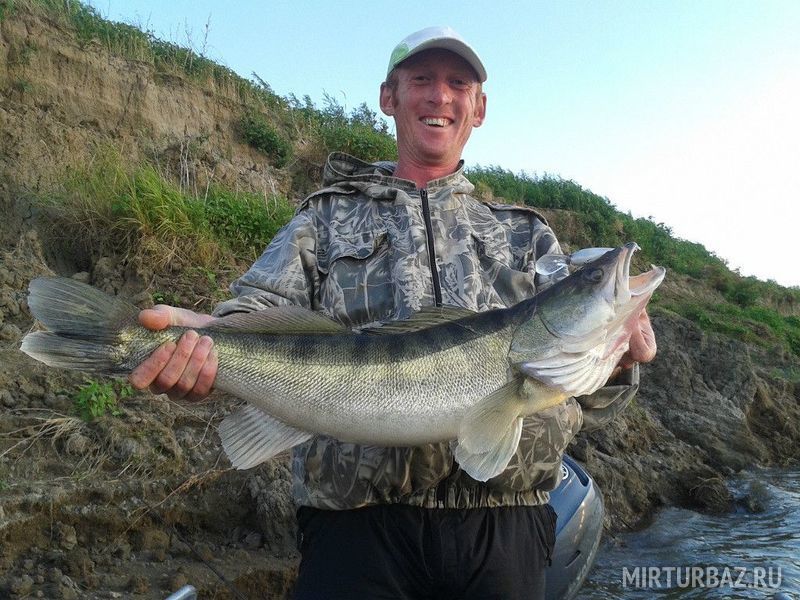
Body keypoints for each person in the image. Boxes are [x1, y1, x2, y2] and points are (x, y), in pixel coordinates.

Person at [130, 26, 656, 599]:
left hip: (505, 526)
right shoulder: (324, 218)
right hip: (356, 530)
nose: (440, 95)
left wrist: (620, 358)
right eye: (422, 79)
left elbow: (590, 394)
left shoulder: (525, 234)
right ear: (390, 97)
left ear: (479, 108)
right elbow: (253, 312)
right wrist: (203, 342)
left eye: (459, 84)